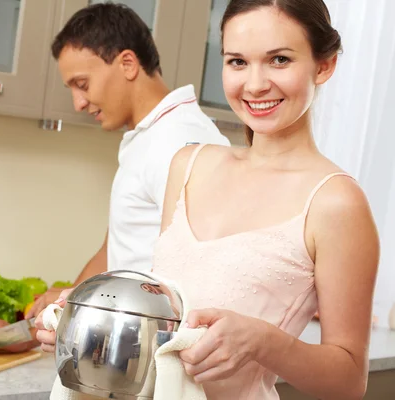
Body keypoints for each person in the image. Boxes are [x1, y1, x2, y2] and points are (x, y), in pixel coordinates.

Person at [37, 1, 380, 399]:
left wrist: (264, 342)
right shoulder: (189, 165)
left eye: (279, 60)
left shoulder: (336, 202)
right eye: (237, 62)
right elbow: (166, 326)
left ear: (324, 65)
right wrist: (86, 319)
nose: (254, 84)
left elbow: (350, 383)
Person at [0, 3, 229, 338]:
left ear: (127, 63)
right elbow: (115, 251)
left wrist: (72, 307)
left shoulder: (180, 142)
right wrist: (35, 326)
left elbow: (201, 271)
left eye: (82, 83)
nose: (78, 102)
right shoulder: (147, 136)